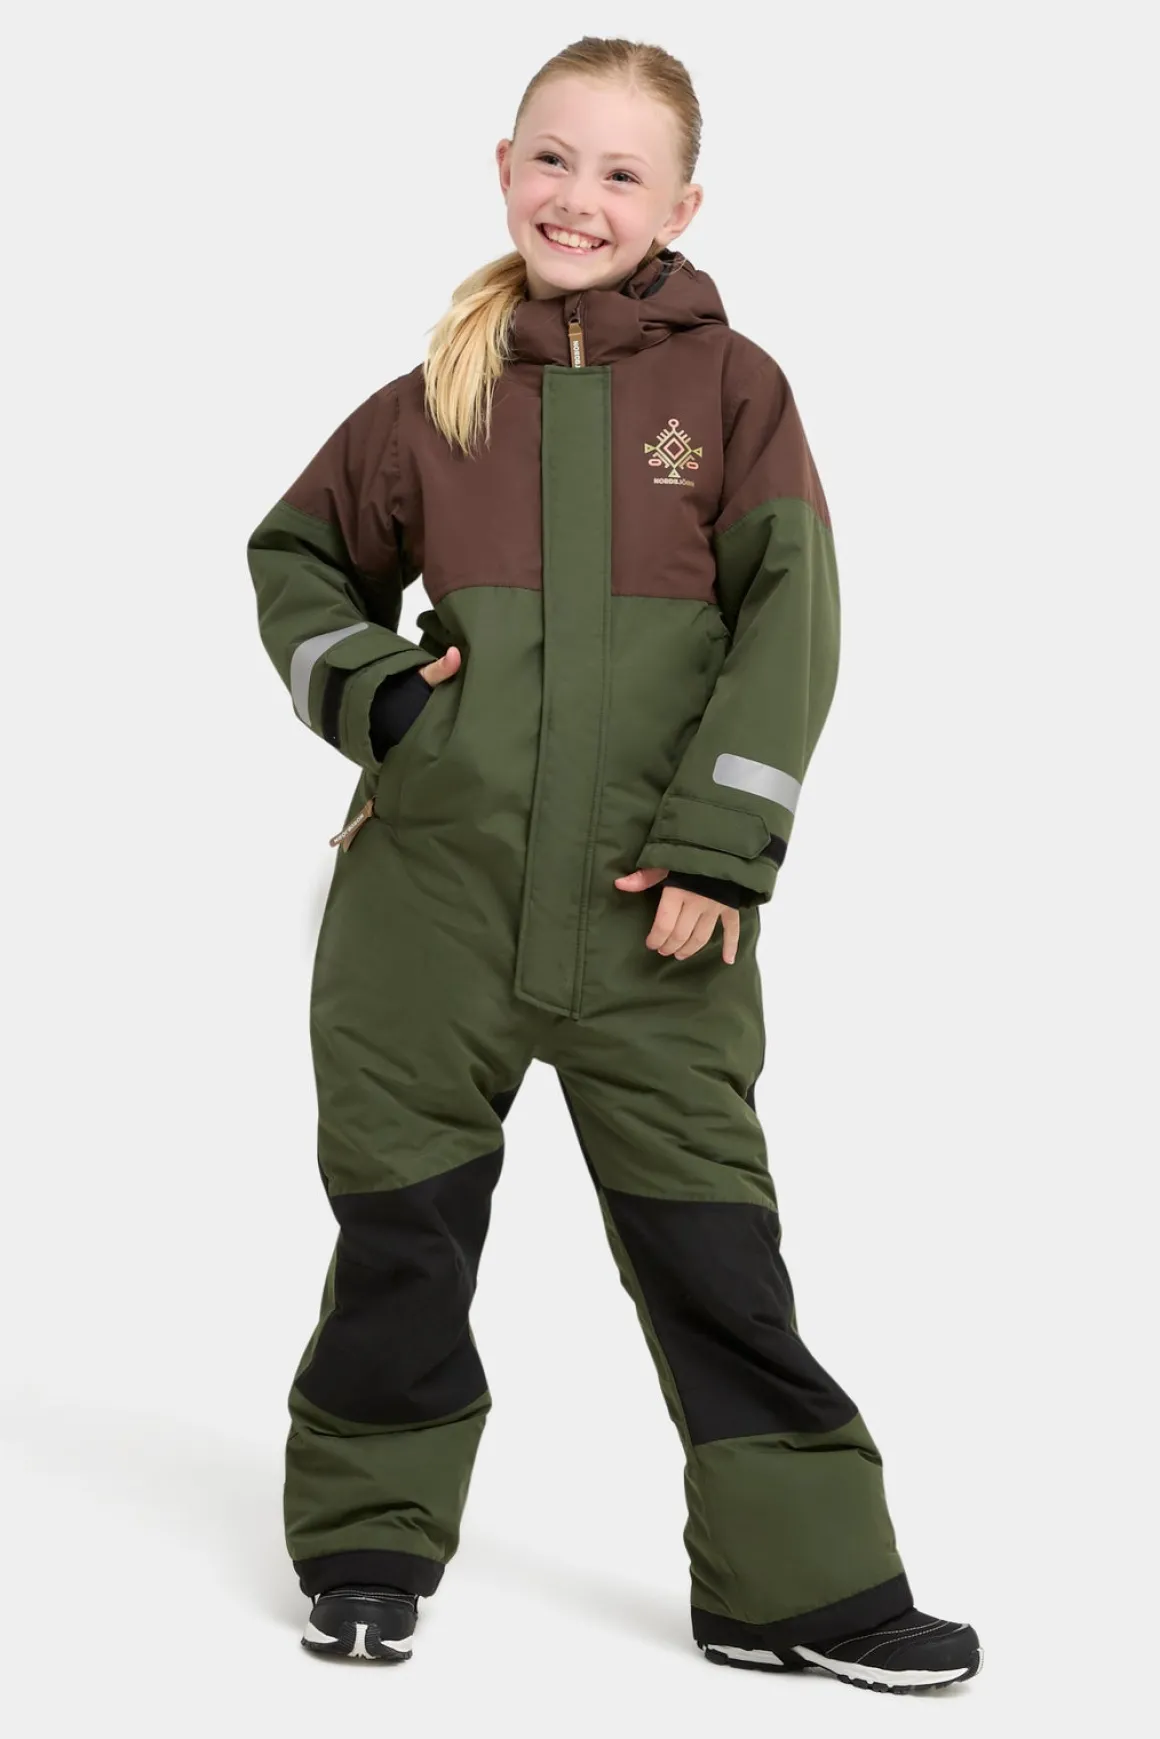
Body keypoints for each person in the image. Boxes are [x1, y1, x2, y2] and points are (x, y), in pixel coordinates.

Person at [245, 34, 982, 1695]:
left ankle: (794, 1587)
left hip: (660, 919)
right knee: (401, 1245)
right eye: (553, 160)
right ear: (504, 167)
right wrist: (380, 699)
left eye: (622, 172)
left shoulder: (732, 395)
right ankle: (365, 1549)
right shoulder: (431, 402)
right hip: (428, 914)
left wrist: (723, 846)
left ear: (683, 204)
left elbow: (795, 624)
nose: (580, 197)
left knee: (716, 1255)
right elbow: (292, 558)